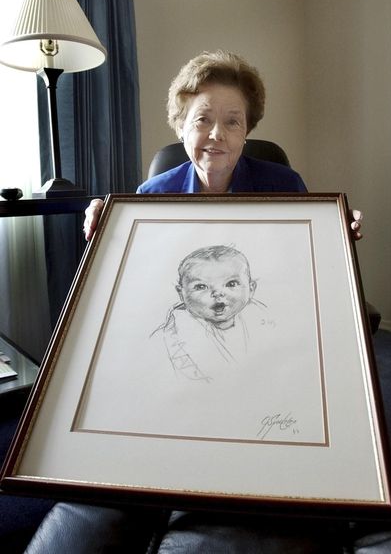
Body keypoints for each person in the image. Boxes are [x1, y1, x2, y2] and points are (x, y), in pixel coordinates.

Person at [83, 49, 362, 240]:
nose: (217, 134)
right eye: (203, 119)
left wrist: (335, 231)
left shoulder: (285, 185)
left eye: (232, 122)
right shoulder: (152, 194)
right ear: (181, 127)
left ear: (246, 132)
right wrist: (109, 229)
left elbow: (307, 257)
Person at [151, 244, 274, 383]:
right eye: (201, 286)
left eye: (231, 284)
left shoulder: (264, 321)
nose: (217, 294)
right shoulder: (169, 339)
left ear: (251, 289)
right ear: (182, 293)